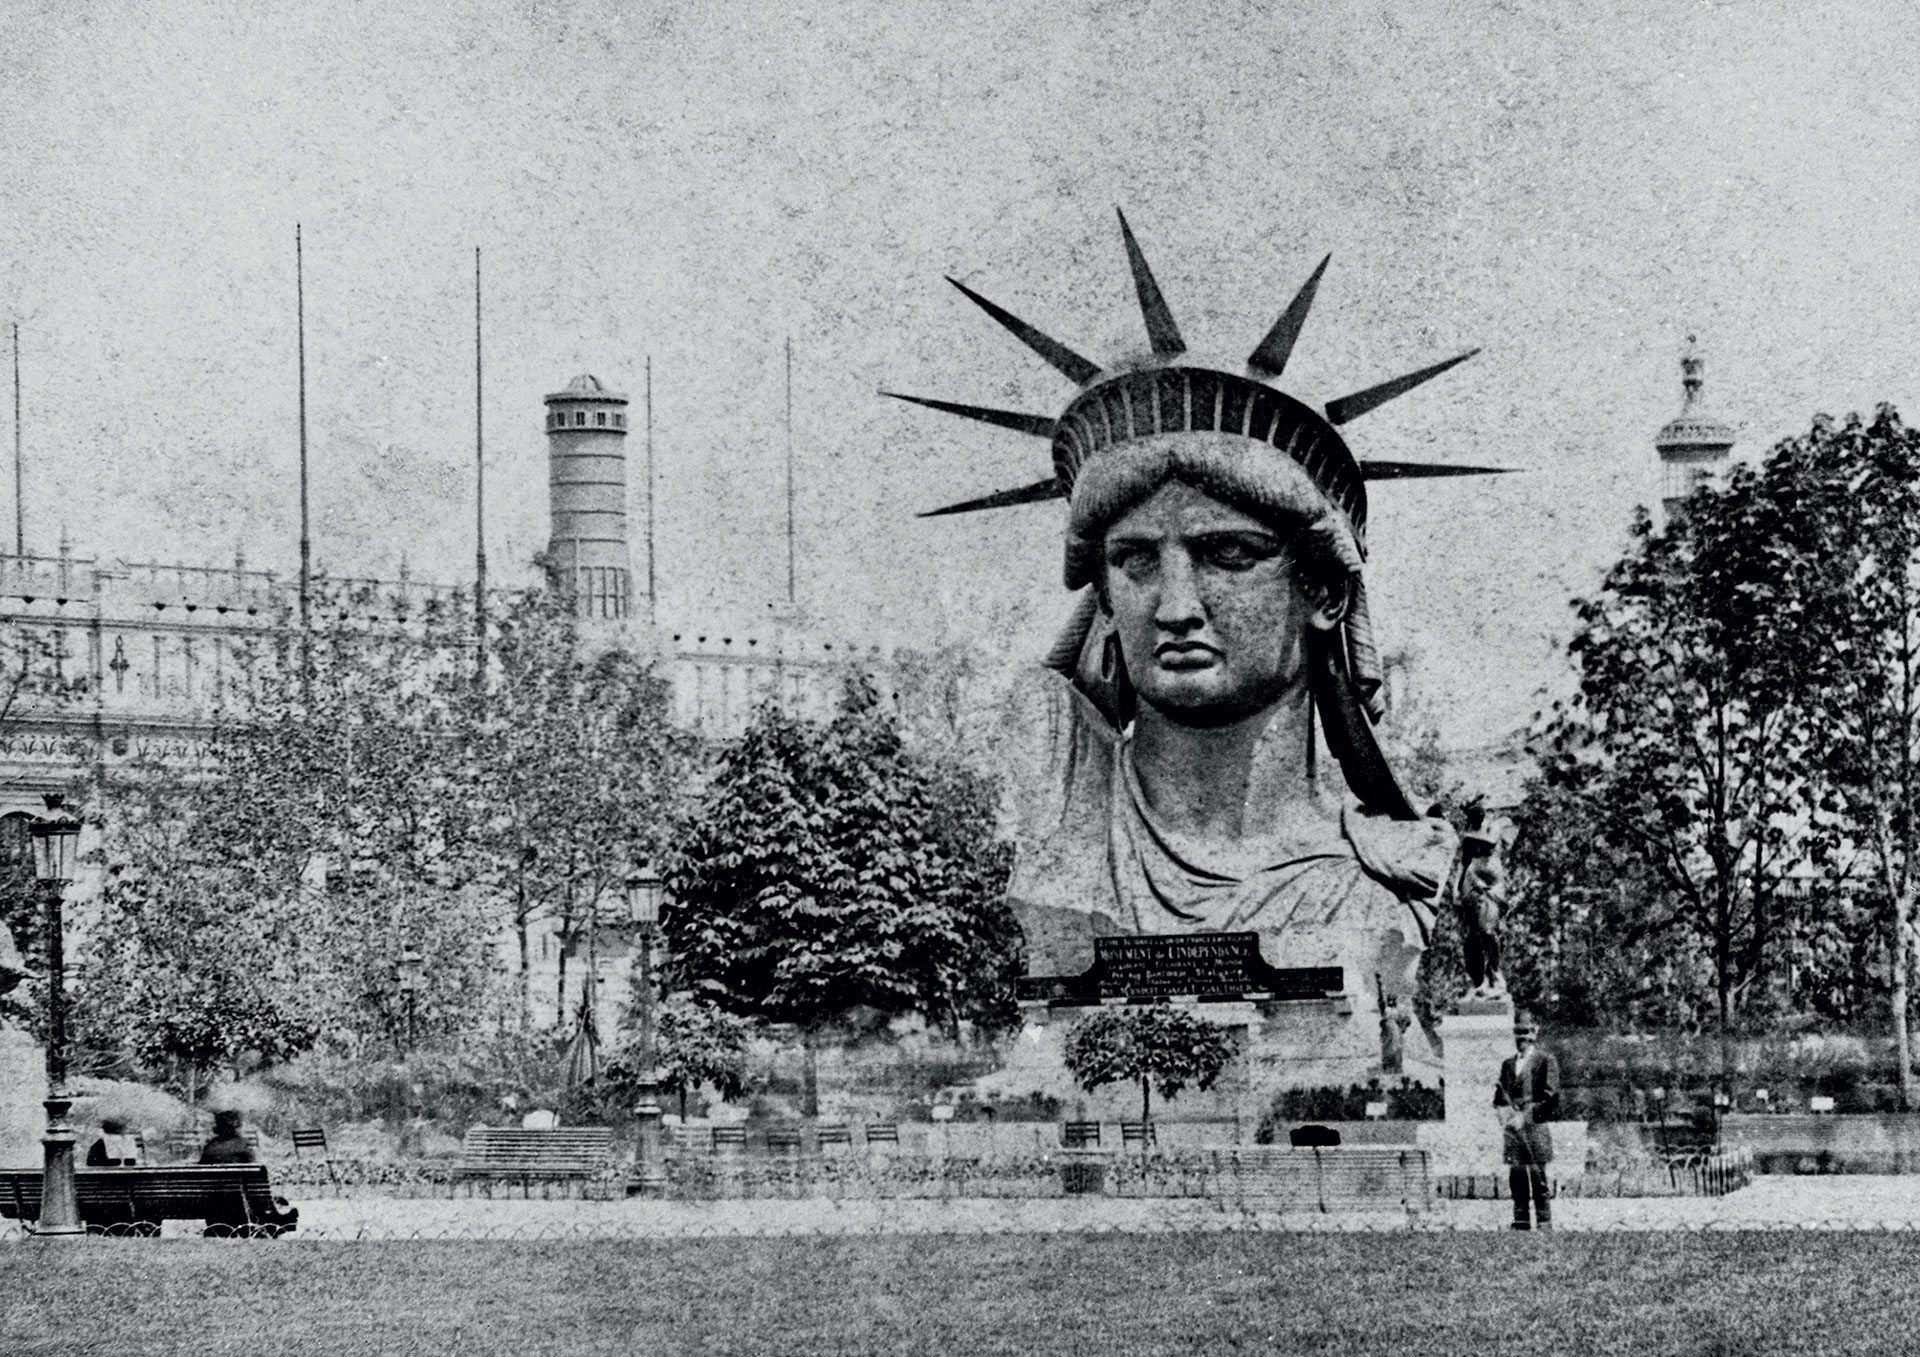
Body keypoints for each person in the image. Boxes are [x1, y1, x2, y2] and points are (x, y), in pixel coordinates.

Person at [1494, 1010, 1560, 1231]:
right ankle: (1520, 1220)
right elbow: (1499, 1099)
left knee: (1537, 1176)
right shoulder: (1507, 1065)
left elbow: (1551, 1097)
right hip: (1513, 1128)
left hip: (1535, 1128)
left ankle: (1544, 1222)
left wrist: (1527, 1116)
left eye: (1527, 1032)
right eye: (1518, 1033)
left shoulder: (1545, 1060)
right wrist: (1506, 1117)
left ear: (1535, 1032)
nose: (1522, 1038)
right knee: (1517, 1176)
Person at [198, 1109, 299, 1237]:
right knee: (254, 1187)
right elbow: (256, 1174)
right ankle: (276, 1220)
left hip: (214, 1210)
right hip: (239, 1208)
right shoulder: (242, 1145)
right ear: (236, 1125)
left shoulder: (209, 1148)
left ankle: (276, 1221)